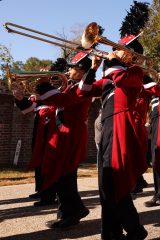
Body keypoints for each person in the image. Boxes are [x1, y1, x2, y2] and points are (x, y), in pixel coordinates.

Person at [77, 37, 149, 239]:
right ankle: (111, 232)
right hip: (108, 128)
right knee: (105, 185)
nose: (113, 52)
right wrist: (93, 68)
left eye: (118, 49)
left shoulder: (135, 72)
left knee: (115, 182)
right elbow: (84, 91)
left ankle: (135, 230)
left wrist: (110, 62)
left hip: (120, 127)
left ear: (130, 54)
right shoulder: (110, 77)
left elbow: (122, 79)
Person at [37, 52, 93, 229]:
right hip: (64, 131)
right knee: (62, 175)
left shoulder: (84, 87)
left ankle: (72, 213)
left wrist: (44, 84)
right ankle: (71, 211)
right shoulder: (70, 85)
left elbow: (61, 100)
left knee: (65, 175)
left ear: (82, 71)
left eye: (72, 68)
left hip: (73, 133)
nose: (68, 71)